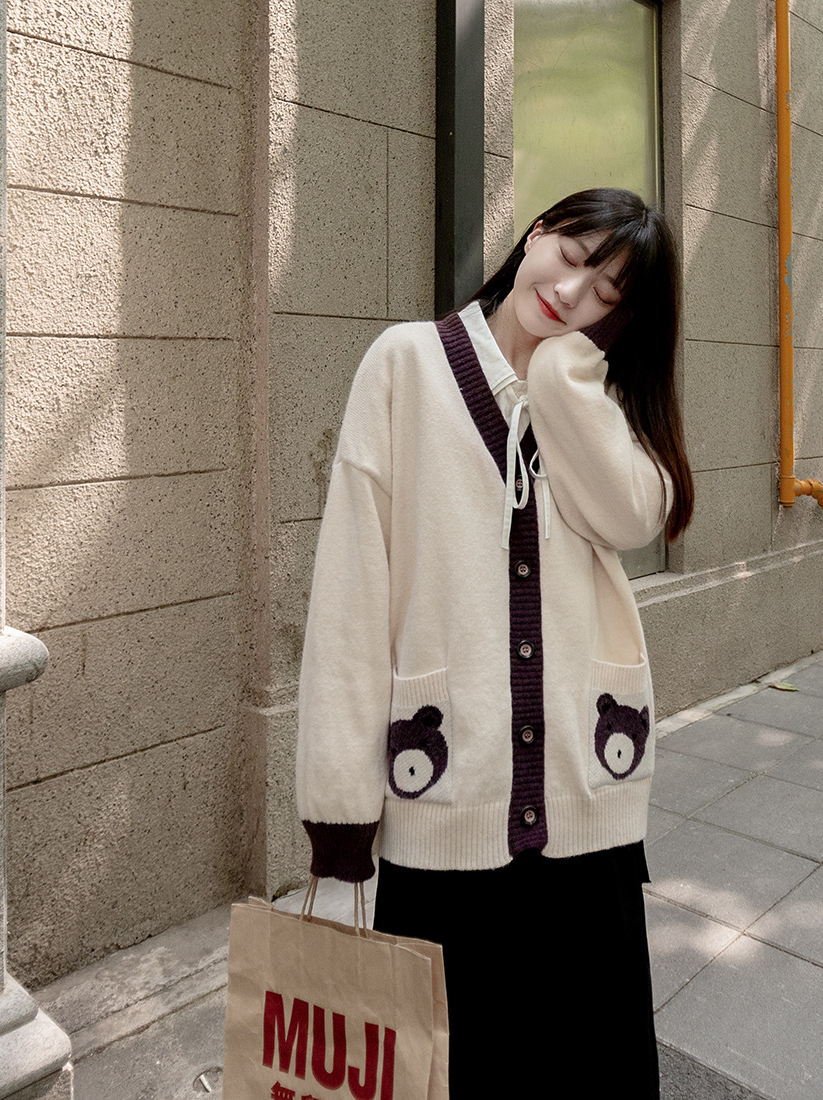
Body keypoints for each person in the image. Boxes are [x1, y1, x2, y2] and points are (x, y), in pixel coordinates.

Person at [296, 188, 694, 1096]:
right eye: (572, 255)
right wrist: (339, 808)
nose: (572, 291)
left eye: (606, 293)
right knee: (454, 1076)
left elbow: (635, 515)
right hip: (447, 809)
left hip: (583, 815)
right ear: (536, 233)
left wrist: (563, 376)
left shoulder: (593, 400)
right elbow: (351, 595)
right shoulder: (405, 364)